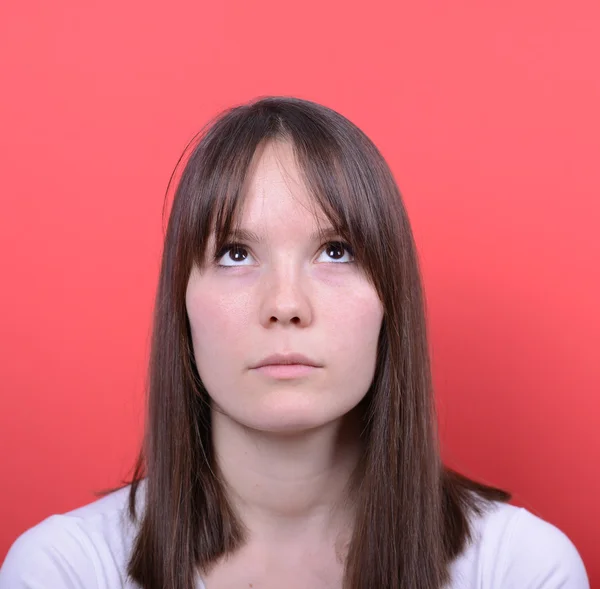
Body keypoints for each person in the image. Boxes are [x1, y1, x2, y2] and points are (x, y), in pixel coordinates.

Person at [0, 96, 589, 589]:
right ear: (182, 303)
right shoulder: (66, 570)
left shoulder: (519, 569)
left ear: (391, 301)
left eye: (335, 252)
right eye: (235, 254)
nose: (285, 304)